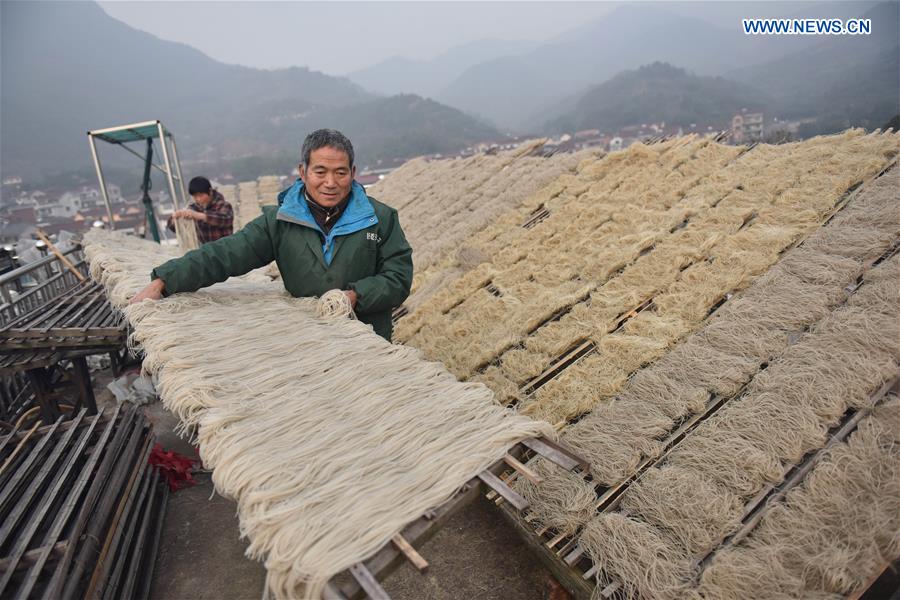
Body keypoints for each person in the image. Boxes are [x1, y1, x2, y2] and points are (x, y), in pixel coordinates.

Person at [131, 129, 413, 341]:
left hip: (370, 342)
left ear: (353, 172)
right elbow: (226, 254)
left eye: (340, 172)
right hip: (309, 341)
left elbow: (398, 278)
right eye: (320, 171)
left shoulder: (380, 218)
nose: (330, 183)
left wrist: (355, 296)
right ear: (302, 172)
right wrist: (165, 280)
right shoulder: (279, 221)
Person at [167, 176, 234, 244]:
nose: (198, 199)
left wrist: (198, 215)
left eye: (201, 195)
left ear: (210, 191)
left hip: (223, 250)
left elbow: (226, 220)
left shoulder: (223, 205)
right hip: (204, 251)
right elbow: (175, 228)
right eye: (195, 196)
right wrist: (175, 218)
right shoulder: (193, 208)